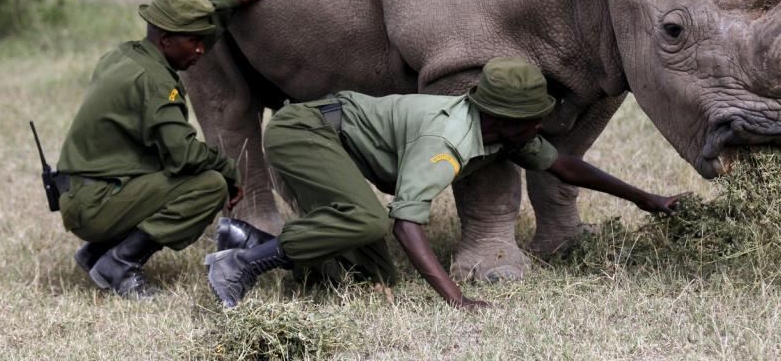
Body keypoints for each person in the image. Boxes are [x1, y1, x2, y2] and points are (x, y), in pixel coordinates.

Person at [206, 56, 686, 309]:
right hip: (307, 132)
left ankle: (245, 239)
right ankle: (242, 265)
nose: (541, 126)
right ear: (506, 119)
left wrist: (646, 198)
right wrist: (456, 299)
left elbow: (562, 165)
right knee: (368, 221)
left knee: (370, 279)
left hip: (339, 140)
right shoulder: (449, 140)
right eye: (534, 119)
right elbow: (405, 224)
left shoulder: (503, 134)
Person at [56, 0, 263, 299]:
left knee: (164, 169)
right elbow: (183, 155)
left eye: (202, 40)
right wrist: (228, 170)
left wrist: (229, 1)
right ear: (166, 40)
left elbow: (191, 32)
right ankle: (119, 263)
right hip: (96, 203)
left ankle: (95, 253)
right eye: (193, 42)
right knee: (209, 185)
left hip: (83, 193)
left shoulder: (126, 55)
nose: (200, 50)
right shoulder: (155, 83)